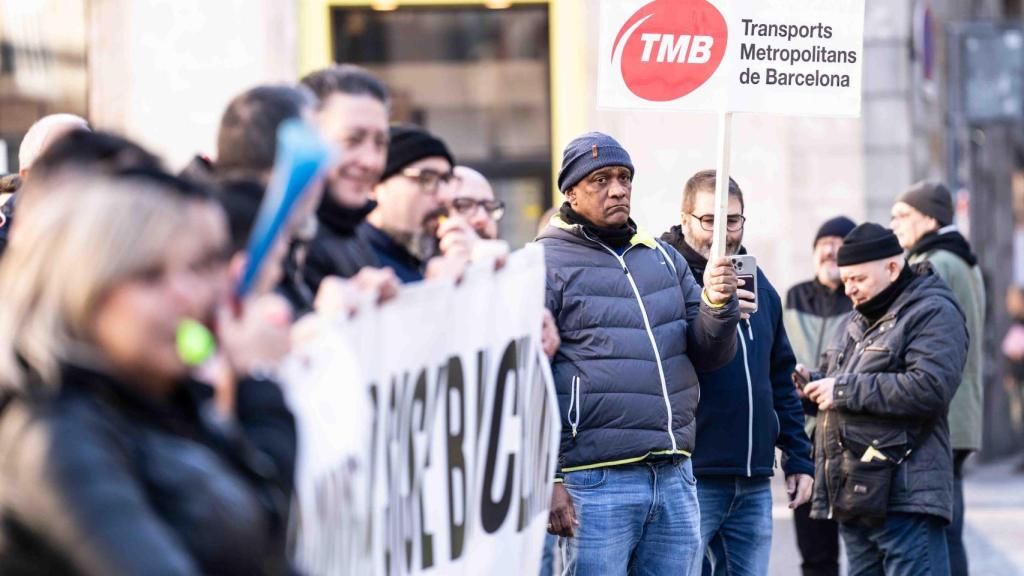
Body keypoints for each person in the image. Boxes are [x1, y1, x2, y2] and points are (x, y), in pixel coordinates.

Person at [0, 173, 297, 575]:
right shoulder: (54, 436)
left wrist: (250, 381)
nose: (188, 297)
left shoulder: (161, 398)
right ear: (81, 289)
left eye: (191, 270)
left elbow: (263, 529)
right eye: (150, 277)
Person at [537, 132, 740, 576]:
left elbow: (708, 353)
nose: (617, 188)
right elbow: (532, 379)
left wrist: (718, 305)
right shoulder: (542, 264)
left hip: (673, 475)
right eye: (601, 179)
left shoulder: (664, 258)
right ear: (570, 191)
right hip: (593, 481)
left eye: (625, 177)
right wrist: (550, 479)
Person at [661, 170, 814, 576]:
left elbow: (779, 378)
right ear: (684, 217)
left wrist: (798, 456)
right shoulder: (662, 276)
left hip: (752, 479)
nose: (721, 233)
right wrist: (714, 310)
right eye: (708, 220)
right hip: (691, 476)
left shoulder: (758, 284)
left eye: (732, 220)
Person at [801, 223, 968, 576]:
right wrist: (809, 386)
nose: (849, 290)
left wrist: (841, 390)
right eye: (846, 281)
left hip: (906, 499)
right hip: (855, 496)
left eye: (858, 279)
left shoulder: (934, 311)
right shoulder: (853, 320)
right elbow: (838, 384)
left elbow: (929, 388)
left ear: (892, 267)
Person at [890, 181, 984, 576]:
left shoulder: (936, 264)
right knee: (948, 529)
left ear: (929, 218)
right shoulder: (962, 260)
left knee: (941, 534)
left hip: (939, 414)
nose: (894, 225)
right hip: (960, 413)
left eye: (903, 216)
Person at [783, 216, 856, 576]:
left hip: (852, 439)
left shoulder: (862, 298)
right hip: (806, 441)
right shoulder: (794, 296)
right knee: (815, 555)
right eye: (822, 243)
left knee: (864, 549)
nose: (829, 250)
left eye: (838, 242)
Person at [300, 64, 391, 290]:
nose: (370, 161)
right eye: (352, 140)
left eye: (380, 144)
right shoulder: (281, 244)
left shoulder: (354, 232)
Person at [363, 124, 456, 283]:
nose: (444, 196)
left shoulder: (430, 258)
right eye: (425, 179)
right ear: (374, 185)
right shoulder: (351, 263)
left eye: (446, 180)